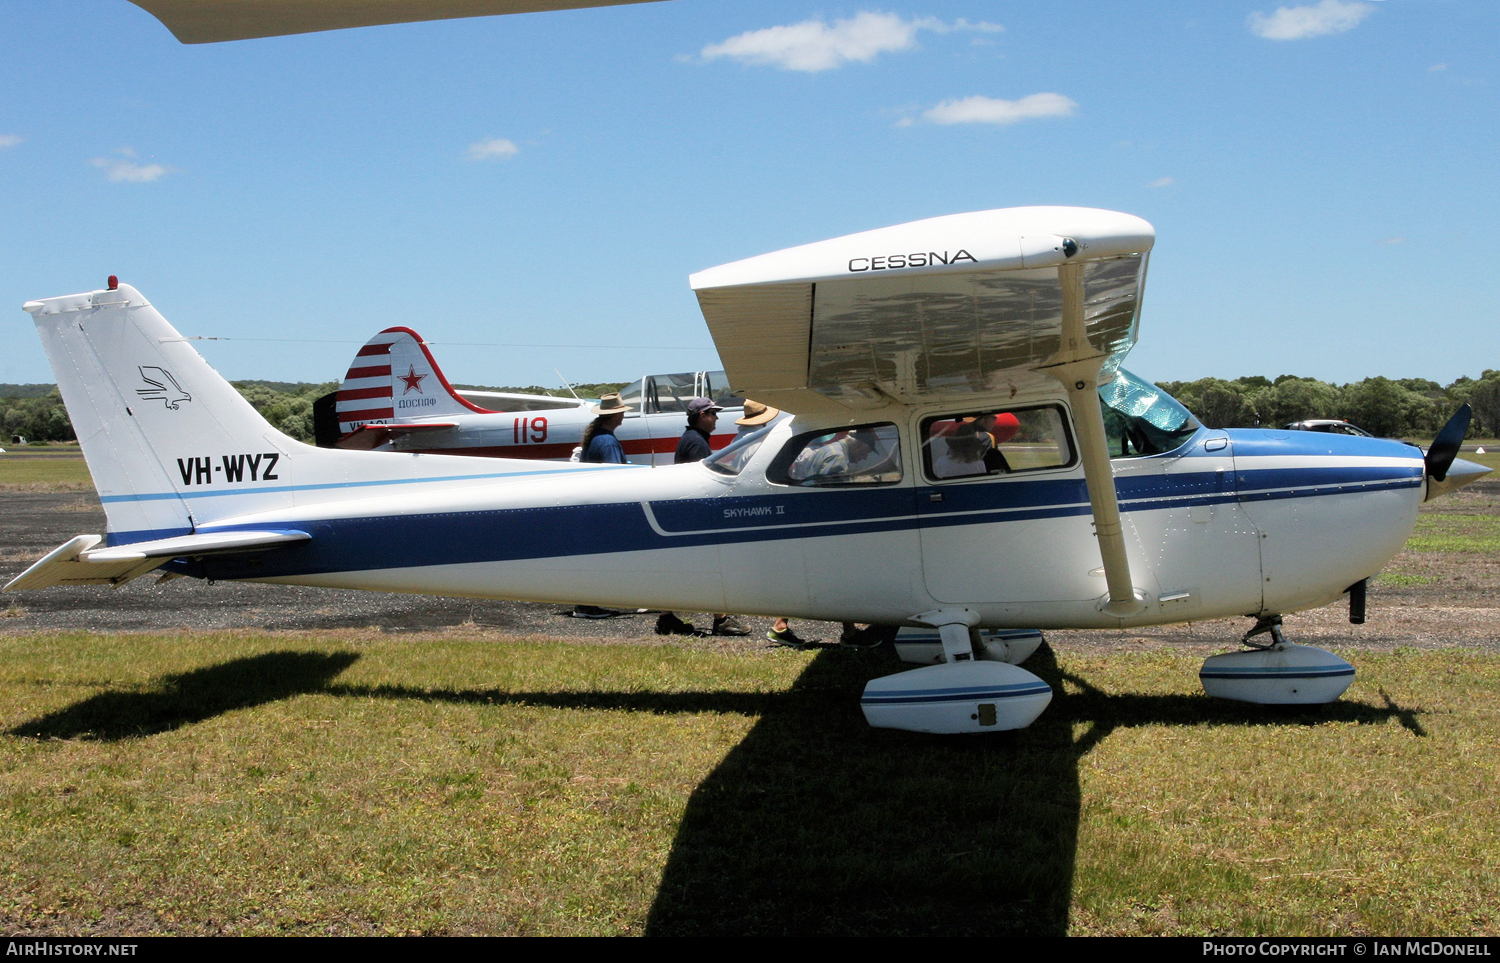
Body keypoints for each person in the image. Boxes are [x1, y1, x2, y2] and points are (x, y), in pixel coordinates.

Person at [656, 398, 752, 637]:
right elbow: (703, 486)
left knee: (685, 569)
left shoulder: (691, 439)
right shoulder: (697, 444)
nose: (717, 418)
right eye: (713, 413)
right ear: (702, 416)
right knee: (713, 565)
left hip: (684, 515)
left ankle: (666, 618)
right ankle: (721, 621)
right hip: (696, 516)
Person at [571, 393, 630, 619]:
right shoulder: (608, 441)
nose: (623, 415)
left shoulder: (596, 438)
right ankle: (587, 604)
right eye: (622, 411)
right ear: (615, 415)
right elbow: (615, 476)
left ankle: (587, 601)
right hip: (604, 508)